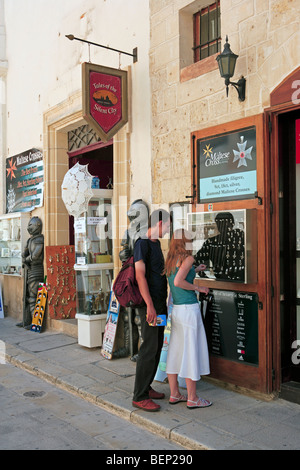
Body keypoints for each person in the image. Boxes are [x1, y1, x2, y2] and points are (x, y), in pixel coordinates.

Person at [165, 229, 212, 409]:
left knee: (176, 351)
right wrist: (198, 288)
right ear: (186, 241)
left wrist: (195, 269)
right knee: (191, 351)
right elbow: (179, 282)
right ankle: (193, 397)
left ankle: (175, 393)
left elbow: (175, 279)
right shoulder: (188, 258)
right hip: (189, 310)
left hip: (176, 310)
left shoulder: (171, 259)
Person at [132, 208, 171, 412]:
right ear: (159, 223)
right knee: (148, 347)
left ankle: (147, 387)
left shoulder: (157, 244)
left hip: (160, 305)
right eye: (167, 226)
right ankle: (139, 396)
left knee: (156, 346)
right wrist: (149, 306)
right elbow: (140, 276)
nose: (168, 230)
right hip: (150, 307)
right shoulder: (142, 244)